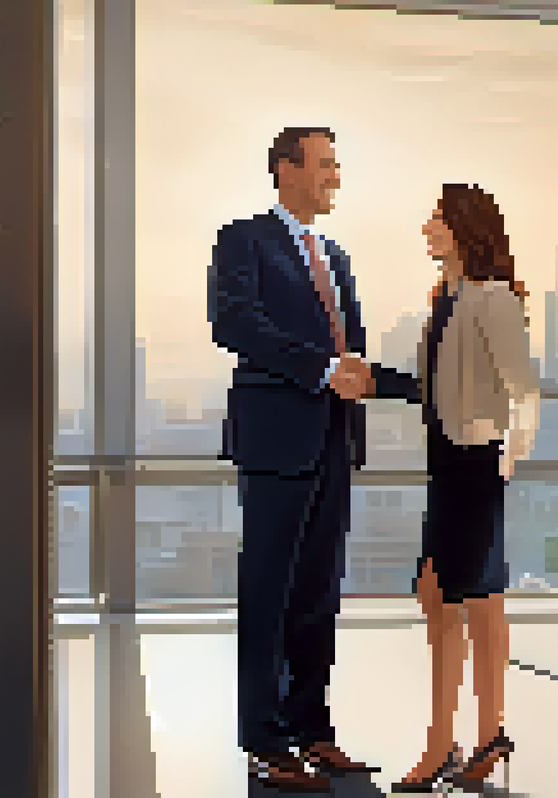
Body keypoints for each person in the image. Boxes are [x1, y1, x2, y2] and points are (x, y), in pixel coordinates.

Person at [210, 126, 401, 791]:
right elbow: (233, 322)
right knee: (268, 591)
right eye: (324, 165)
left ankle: (313, 730)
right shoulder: (244, 241)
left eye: (336, 166)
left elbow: (352, 354)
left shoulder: (337, 255)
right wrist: (321, 370)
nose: (335, 177)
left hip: (332, 441)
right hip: (275, 441)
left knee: (319, 593)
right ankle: (265, 739)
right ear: (285, 170)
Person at [346, 184, 540, 793]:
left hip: (476, 465)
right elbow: (437, 391)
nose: (427, 226)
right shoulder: (447, 298)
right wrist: (376, 380)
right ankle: (475, 739)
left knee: (460, 600)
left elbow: (524, 391)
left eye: (436, 217)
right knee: (460, 600)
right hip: (448, 466)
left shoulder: (492, 299)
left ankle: (454, 745)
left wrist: (507, 457)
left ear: (463, 227)